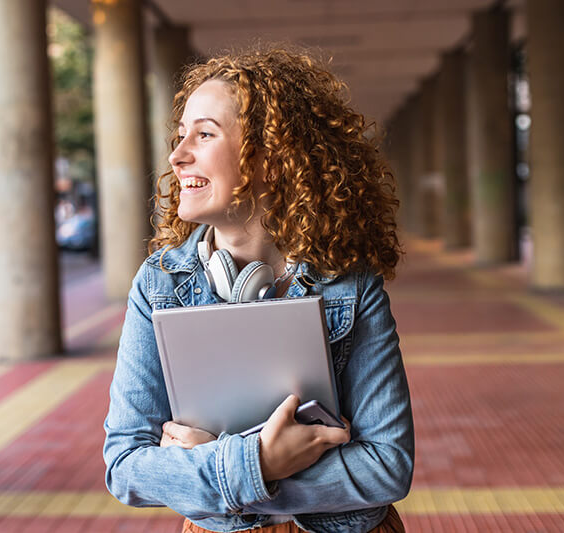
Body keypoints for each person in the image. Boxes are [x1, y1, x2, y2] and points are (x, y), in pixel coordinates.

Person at [103, 48, 414, 533]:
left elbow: (387, 467)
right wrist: (260, 463)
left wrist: (216, 468)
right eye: (180, 135)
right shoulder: (158, 282)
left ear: (272, 157)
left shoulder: (350, 283)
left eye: (204, 134)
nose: (176, 154)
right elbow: (125, 468)